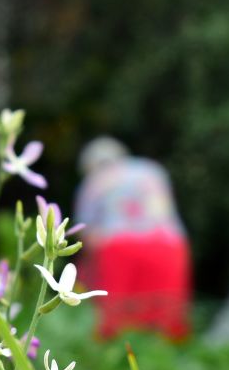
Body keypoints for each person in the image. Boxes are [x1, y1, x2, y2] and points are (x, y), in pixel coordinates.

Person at [74, 137, 191, 339]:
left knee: (117, 319)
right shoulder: (152, 170)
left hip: (119, 248)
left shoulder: (95, 180)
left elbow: (87, 233)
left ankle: (118, 362)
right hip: (169, 245)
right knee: (167, 316)